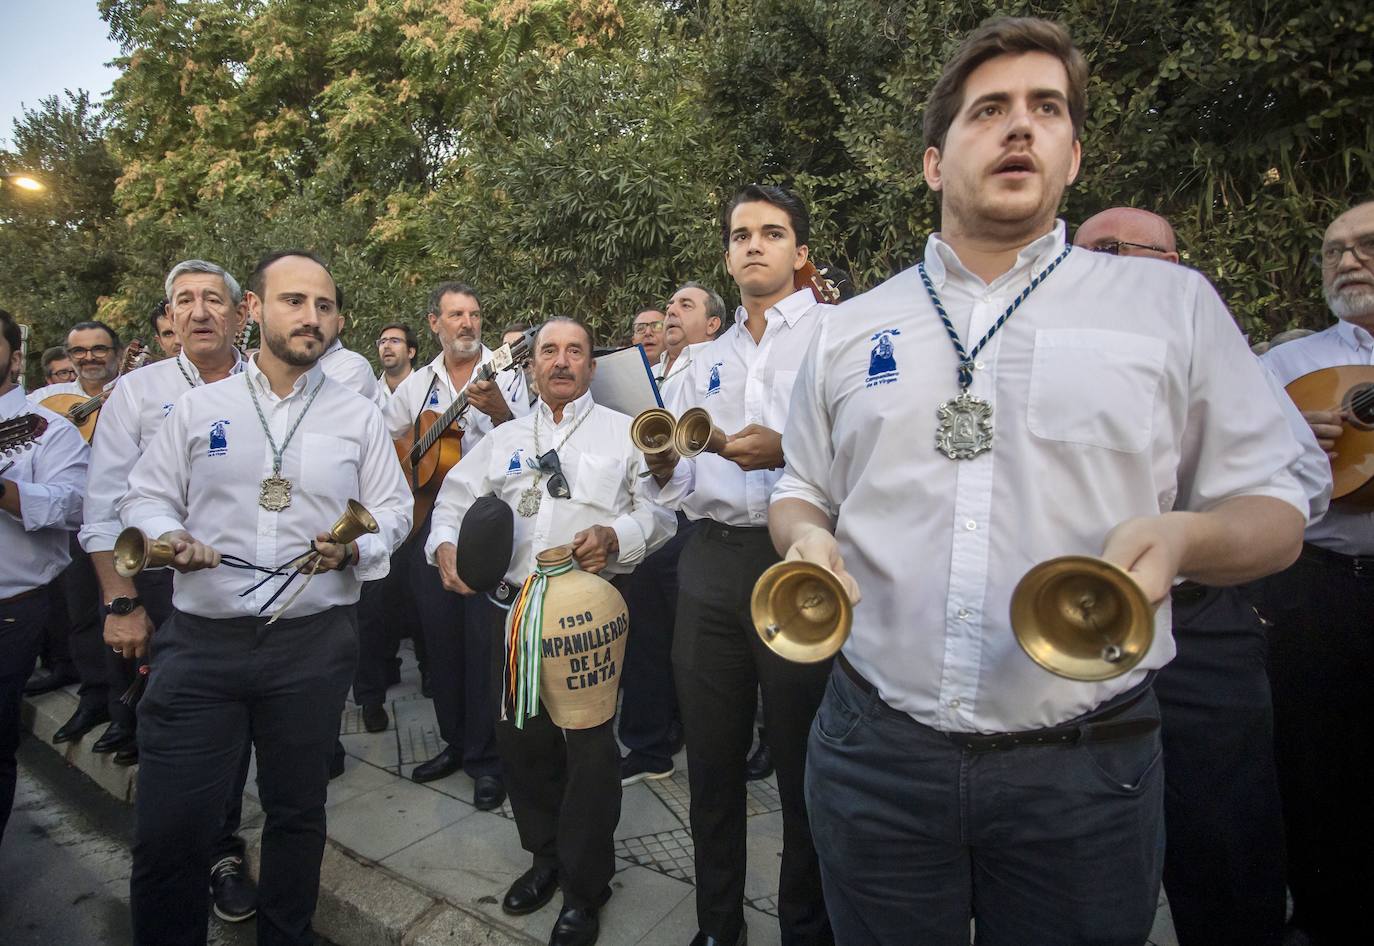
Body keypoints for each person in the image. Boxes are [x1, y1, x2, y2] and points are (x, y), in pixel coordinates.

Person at [768, 18, 1310, 945]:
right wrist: (804, 535)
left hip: (1087, 770)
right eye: (989, 111)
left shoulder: (1169, 307)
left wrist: (1186, 540)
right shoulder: (849, 326)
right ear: (935, 163)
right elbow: (801, 484)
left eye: (1045, 108)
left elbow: (1280, 506)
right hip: (875, 751)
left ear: (1073, 154)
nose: (1019, 127)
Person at [120, 249, 411, 946]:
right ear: (254, 309)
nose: (310, 317)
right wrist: (169, 538)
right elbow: (147, 496)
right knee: (170, 831)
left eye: (324, 306)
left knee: (298, 814)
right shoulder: (199, 408)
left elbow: (394, 509)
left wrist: (356, 547)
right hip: (201, 648)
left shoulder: (358, 414)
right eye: (293, 301)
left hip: (311, 647)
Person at [1074, 208, 1331, 946]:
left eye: (1123, 249)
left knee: (1221, 841)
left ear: (1176, 262)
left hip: (1196, 621)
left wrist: (1194, 529)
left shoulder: (1208, 342)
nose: (1105, 263)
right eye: (1091, 250)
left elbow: (1303, 483)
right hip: (1070, 624)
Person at [427, 317, 675, 946]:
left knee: (589, 757)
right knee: (522, 744)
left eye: (575, 351)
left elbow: (661, 510)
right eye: (548, 352)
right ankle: (544, 860)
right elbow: (453, 500)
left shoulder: (625, 435)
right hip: (509, 615)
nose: (561, 362)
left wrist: (618, 536)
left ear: (592, 366)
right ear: (530, 366)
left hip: (585, 620)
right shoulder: (505, 437)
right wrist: (445, 548)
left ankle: (587, 889)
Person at [645, 185, 836, 946]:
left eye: (772, 232)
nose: (753, 244)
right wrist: (661, 464)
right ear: (727, 254)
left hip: (803, 561)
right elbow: (683, 483)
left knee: (804, 767)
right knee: (713, 766)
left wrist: (787, 448)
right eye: (740, 234)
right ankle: (718, 928)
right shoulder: (701, 359)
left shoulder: (838, 334)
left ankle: (806, 929)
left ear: (800, 252)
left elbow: (867, 446)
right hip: (713, 565)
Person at [82, 258, 261, 920]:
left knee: (236, 729)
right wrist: (120, 602)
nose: (198, 311)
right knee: (176, 741)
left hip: (254, 588)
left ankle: (221, 849)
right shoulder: (138, 392)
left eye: (213, 299)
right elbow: (102, 510)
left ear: (243, 314)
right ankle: (182, 857)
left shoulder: (273, 387)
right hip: (159, 590)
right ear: (170, 316)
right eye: (184, 300)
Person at [1258, 199, 1374, 946]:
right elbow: (1239, 467)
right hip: (1319, 583)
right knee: (1312, 758)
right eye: (1334, 251)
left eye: (1364, 246)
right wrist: (1292, 441)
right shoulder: (1289, 367)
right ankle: (1327, 914)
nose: (1346, 262)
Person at [383, 282, 529, 804]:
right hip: (428, 523)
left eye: (474, 313)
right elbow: (387, 441)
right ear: (434, 324)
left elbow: (535, 440)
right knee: (440, 640)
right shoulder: (417, 385)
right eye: (456, 315)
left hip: (491, 524)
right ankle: (456, 743)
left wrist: (499, 411)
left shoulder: (509, 370)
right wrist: (409, 457)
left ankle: (489, 759)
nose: (467, 323)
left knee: (483, 644)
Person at [616, 281, 723, 787]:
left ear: (714, 324)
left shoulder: (721, 370)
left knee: (697, 647)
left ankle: (704, 740)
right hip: (652, 515)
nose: (670, 312)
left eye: (686, 305)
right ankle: (649, 745)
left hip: (699, 522)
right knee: (647, 636)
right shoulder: (653, 372)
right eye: (669, 305)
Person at [0, 309, 88, 843]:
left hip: (11, 607)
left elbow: (73, 504)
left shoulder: (44, 428)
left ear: (14, 357)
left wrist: (4, 493)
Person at [27, 321, 126, 748]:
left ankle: (129, 710)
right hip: (75, 521)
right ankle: (94, 697)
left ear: (117, 354)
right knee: (82, 612)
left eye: (99, 349)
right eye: (79, 351)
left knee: (123, 613)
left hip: (126, 525)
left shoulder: (134, 392)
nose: (89, 358)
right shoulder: (45, 402)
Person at [376, 322, 417, 396]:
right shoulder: (371, 392)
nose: (386, 346)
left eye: (394, 341)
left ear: (410, 352)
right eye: (382, 342)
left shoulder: (426, 389)